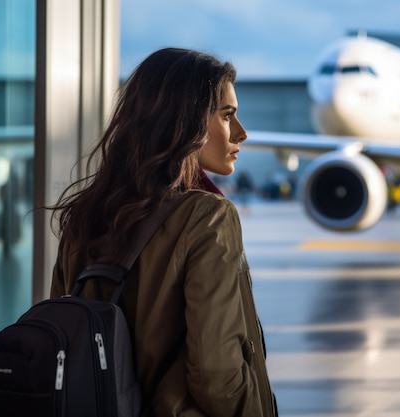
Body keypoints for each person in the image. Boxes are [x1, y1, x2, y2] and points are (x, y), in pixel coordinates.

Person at [47, 48, 278, 417]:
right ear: (185, 122)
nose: (241, 132)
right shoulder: (209, 218)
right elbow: (217, 377)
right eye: (227, 115)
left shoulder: (83, 217)